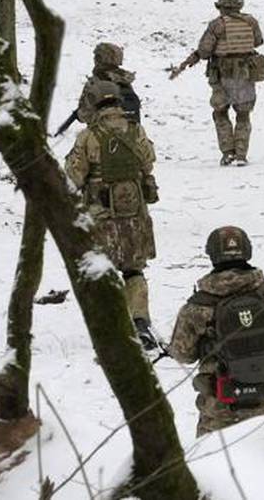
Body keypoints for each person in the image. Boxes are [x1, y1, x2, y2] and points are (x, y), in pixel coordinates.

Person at [170, 226, 264, 436]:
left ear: (212, 254)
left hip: (219, 414)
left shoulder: (198, 307)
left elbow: (182, 353)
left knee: (212, 468)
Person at [64, 81, 162, 350]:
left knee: (102, 270)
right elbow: (148, 161)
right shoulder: (135, 129)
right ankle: (140, 321)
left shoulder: (88, 136)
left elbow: (73, 176)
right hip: (135, 213)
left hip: (101, 215)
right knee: (134, 270)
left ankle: (111, 328)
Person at [174, 0, 264, 166]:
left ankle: (227, 153)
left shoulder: (217, 25)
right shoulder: (251, 21)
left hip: (222, 76)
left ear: (222, 7)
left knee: (220, 112)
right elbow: (258, 41)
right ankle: (241, 154)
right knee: (243, 115)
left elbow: (204, 51)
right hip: (245, 75)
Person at [77, 41, 142, 125]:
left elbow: (84, 115)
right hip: (131, 134)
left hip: (102, 134)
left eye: (97, 56)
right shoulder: (124, 81)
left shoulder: (95, 82)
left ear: (100, 59)